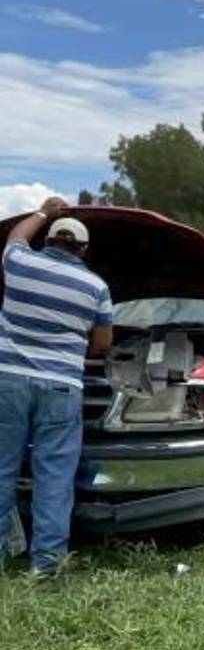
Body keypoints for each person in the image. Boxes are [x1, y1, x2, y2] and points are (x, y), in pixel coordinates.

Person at [0, 198, 112, 577]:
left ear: (48, 241)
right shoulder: (96, 286)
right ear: (83, 250)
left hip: (9, 382)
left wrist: (45, 210)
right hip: (62, 389)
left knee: (2, 469)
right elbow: (102, 343)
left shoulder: (20, 261)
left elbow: (16, 235)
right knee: (55, 476)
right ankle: (46, 565)